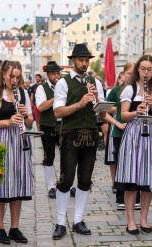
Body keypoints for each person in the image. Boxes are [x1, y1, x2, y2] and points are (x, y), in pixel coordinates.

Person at [52, 43, 105, 240]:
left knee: (85, 179)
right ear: (73, 61)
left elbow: (103, 112)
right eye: (81, 60)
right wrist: (80, 103)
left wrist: (98, 100)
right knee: (66, 180)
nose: (84, 64)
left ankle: (78, 220)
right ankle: (59, 223)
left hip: (91, 134)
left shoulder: (95, 83)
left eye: (86, 60)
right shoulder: (63, 83)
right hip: (70, 134)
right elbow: (58, 112)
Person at [115, 55, 152, 235]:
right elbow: (123, 115)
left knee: (148, 180)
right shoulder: (129, 89)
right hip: (133, 135)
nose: (146, 72)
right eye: (143, 68)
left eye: (149, 69)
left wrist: (151, 106)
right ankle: (131, 221)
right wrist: (136, 112)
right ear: (138, 68)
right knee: (131, 180)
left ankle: (144, 219)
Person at [0, 60, 34, 244]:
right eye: (11, 76)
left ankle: (14, 227)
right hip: (1, 141)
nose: (14, 80)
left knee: (18, 184)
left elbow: (30, 122)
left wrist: (25, 115)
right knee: (0, 184)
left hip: (20, 142)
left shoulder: (22, 92)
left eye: (17, 77)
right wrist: (7, 122)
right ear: (3, 75)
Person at [104, 63, 135, 210]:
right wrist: (116, 123)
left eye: (133, 73)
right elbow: (102, 111)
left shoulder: (139, 90)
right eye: (128, 73)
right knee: (120, 163)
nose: (130, 76)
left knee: (136, 164)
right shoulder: (116, 90)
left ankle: (136, 197)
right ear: (122, 74)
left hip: (136, 133)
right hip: (119, 132)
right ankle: (120, 197)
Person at [35, 61, 63, 199]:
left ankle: (64, 184)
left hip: (63, 124)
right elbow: (41, 107)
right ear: (48, 75)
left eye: (58, 73)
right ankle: (50, 186)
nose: (56, 76)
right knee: (49, 156)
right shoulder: (41, 88)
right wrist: (56, 96)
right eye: (53, 73)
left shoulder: (64, 86)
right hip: (48, 125)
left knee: (67, 155)